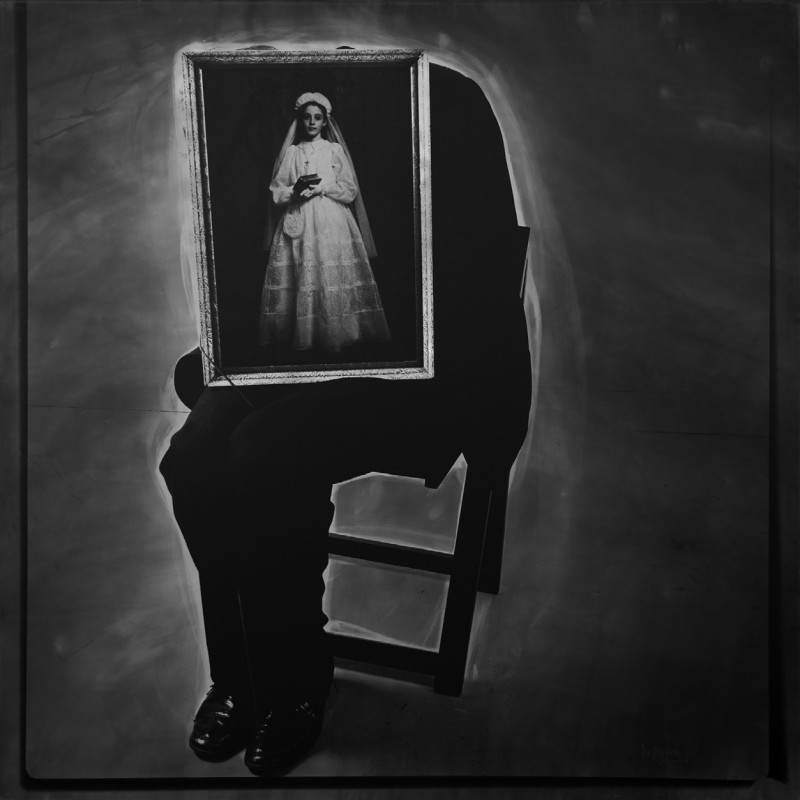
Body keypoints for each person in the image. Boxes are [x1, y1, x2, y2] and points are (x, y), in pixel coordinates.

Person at [159, 65, 531, 777]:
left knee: (265, 455)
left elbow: (481, 273)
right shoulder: (265, 90)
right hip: (292, 342)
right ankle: (240, 672)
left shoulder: (446, 97)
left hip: (416, 363)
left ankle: (296, 681)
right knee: (194, 460)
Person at [258, 92, 390, 352]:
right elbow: (276, 190)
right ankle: (304, 335)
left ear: (325, 122)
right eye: (307, 117)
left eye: (317, 118)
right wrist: (294, 192)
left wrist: (323, 188)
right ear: (300, 120)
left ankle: (338, 332)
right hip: (299, 219)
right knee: (302, 272)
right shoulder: (292, 152)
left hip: (330, 220)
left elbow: (349, 189)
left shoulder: (333, 150)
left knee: (329, 270)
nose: (312, 122)